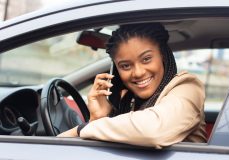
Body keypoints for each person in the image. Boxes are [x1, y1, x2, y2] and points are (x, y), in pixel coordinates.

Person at [57, 23, 207, 148]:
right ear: (116, 70)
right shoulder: (129, 101)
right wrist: (97, 117)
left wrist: (81, 129)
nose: (138, 72)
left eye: (146, 59)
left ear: (162, 55)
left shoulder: (188, 87)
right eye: (125, 66)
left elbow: (153, 131)